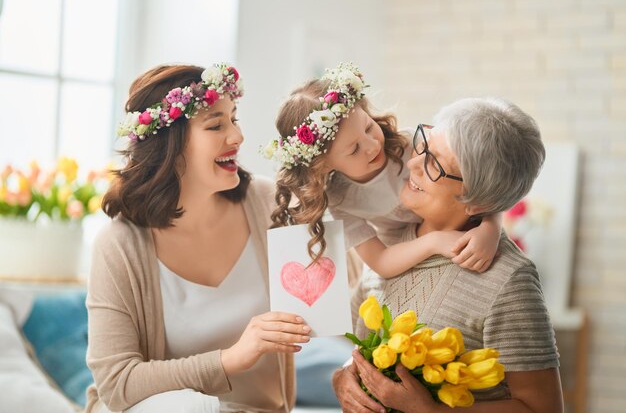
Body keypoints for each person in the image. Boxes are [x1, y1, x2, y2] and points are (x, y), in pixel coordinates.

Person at [86, 63, 311, 413]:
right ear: (169, 146)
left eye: (234, 119)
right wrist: (231, 359)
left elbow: (343, 290)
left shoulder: (270, 204)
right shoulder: (119, 246)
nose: (237, 137)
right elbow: (117, 383)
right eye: (216, 124)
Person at [332, 98, 563, 413]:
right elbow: (359, 348)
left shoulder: (509, 280)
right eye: (423, 145)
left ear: (477, 201)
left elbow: (542, 408)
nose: (411, 165)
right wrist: (343, 377)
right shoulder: (390, 243)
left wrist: (431, 412)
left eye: (433, 164)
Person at [263, 63, 502, 280]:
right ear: (323, 165)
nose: (372, 145)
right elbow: (381, 261)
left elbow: (481, 182)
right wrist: (434, 242)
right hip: (407, 254)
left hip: (464, 229)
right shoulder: (341, 200)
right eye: (354, 149)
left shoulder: (410, 144)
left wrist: (491, 227)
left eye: (368, 127)